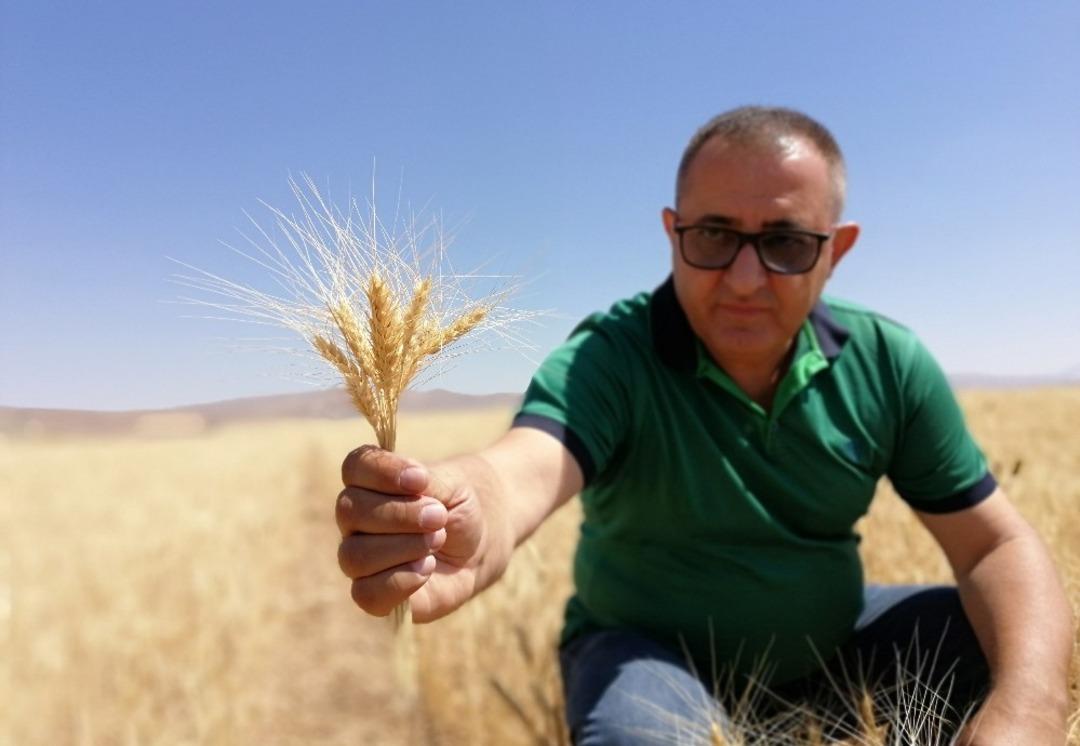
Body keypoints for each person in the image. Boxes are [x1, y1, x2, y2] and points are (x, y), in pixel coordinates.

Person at [334, 107, 1072, 744]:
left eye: (785, 242)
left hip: (835, 645)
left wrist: (1032, 704)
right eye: (714, 236)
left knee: (1007, 645)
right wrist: (467, 508)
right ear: (672, 232)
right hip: (651, 656)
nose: (745, 279)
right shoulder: (612, 355)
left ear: (836, 250)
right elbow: (522, 468)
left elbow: (994, 544)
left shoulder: (888, 363)